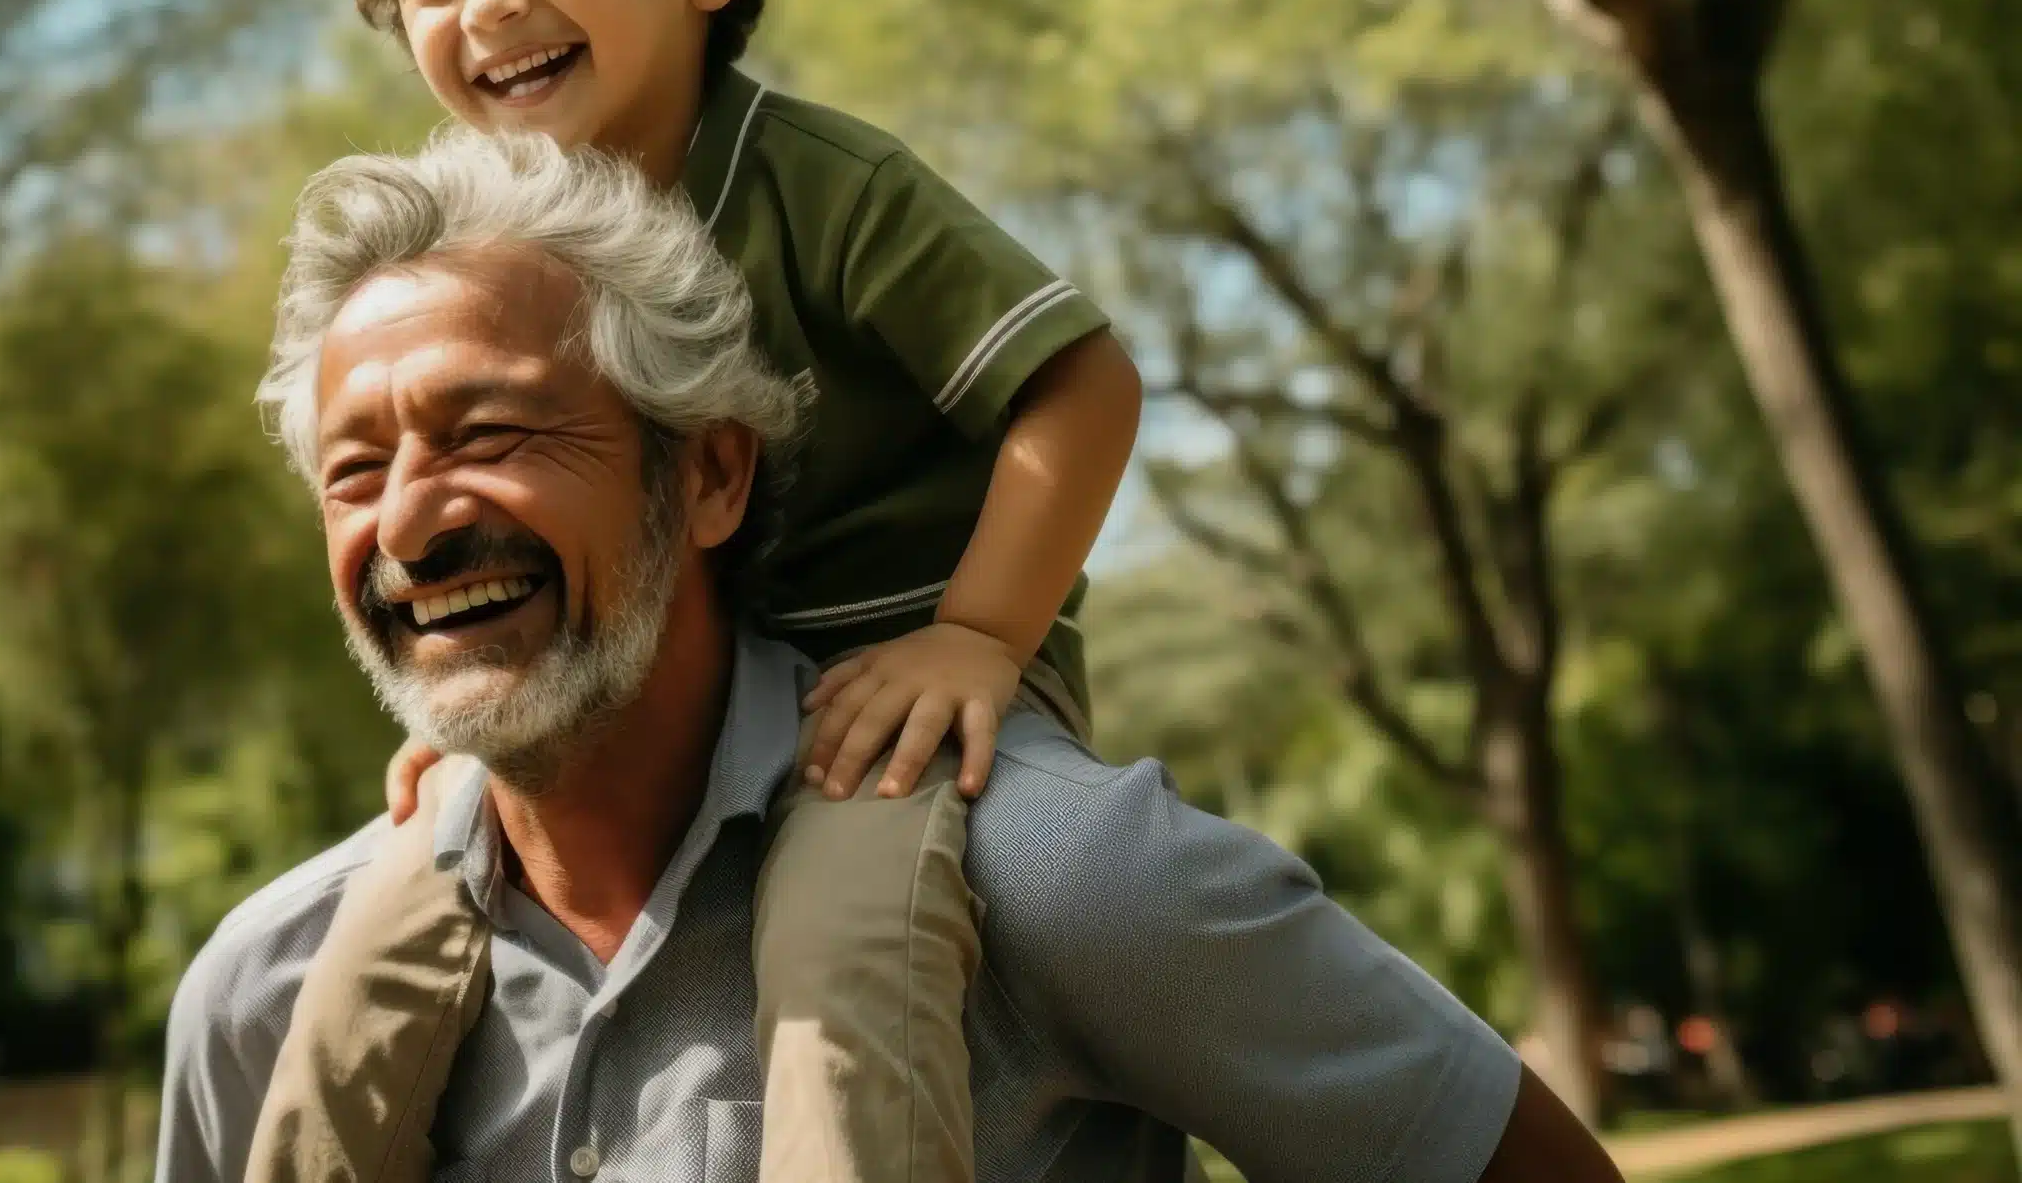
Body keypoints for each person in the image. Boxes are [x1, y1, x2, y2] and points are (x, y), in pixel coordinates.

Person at [157, 130, 1623, 1183]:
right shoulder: (268, 994)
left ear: (713, 475)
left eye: (493, 433)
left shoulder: (1061, 879)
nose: (410, 522)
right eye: (353, 472)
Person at [243, 0, 1145, 1183]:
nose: (486, 5)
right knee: (366, 966)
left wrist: (980, 639)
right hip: (668, 703)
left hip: (889, 691)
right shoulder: (485, 256)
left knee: (845, 943)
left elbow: (1082, 381)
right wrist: (466, 715)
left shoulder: (821, 186)